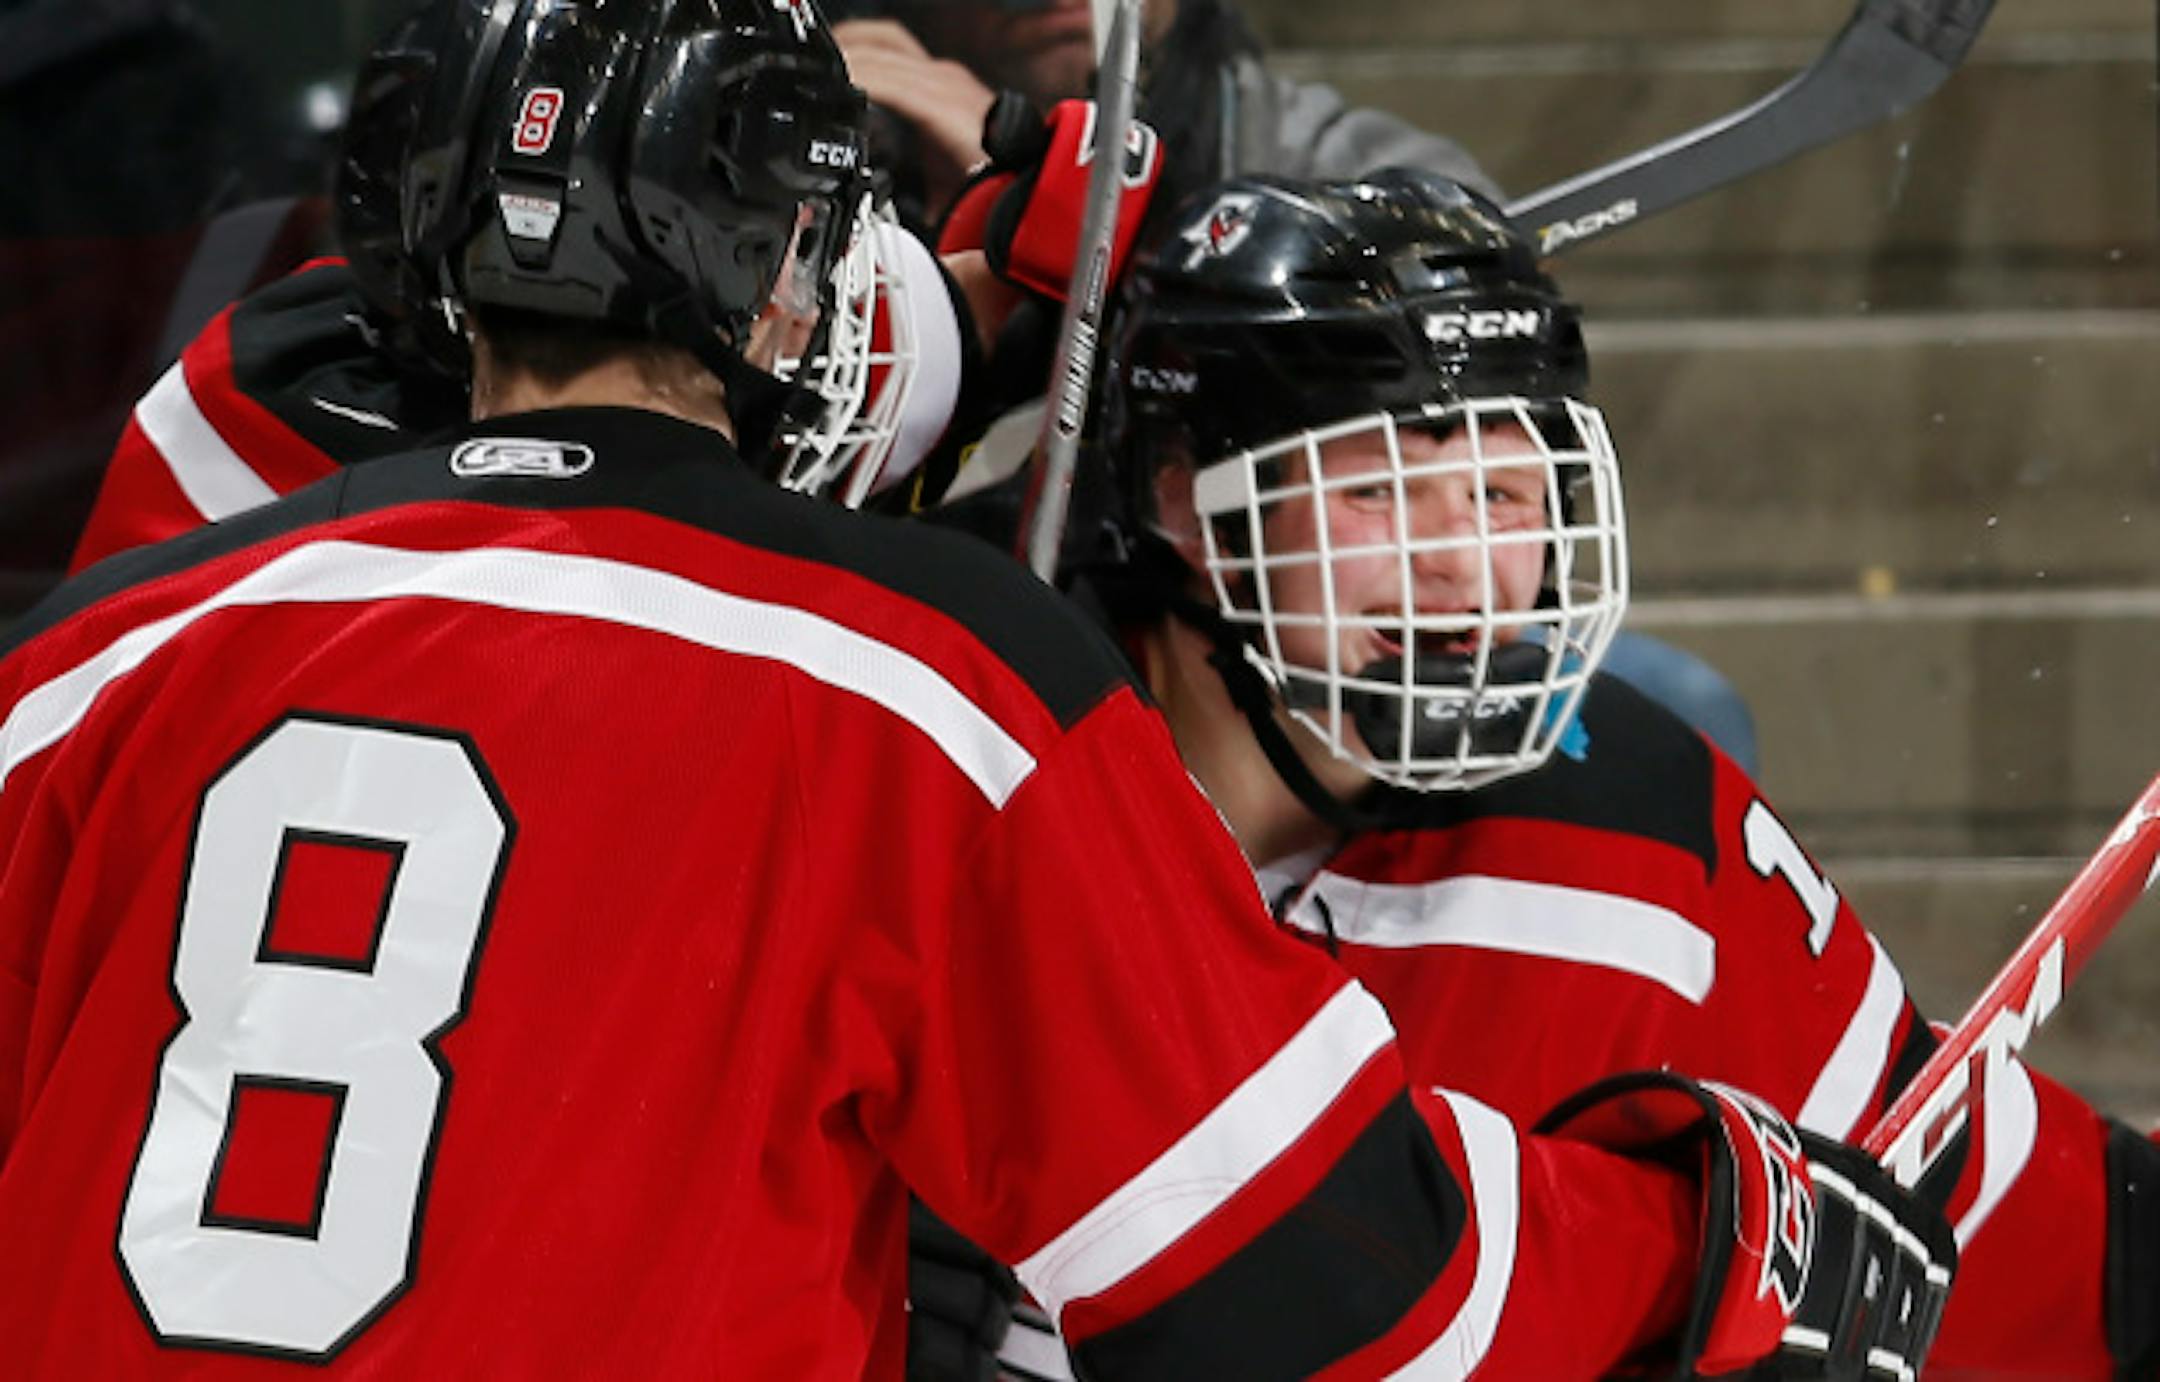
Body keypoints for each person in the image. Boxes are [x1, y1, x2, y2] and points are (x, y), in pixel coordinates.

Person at [0, 1, 1952, 1377]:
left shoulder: (91, 664)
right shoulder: (928, 684)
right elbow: (1312, 1286)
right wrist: (1697, 1250)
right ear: (793, 279)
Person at [957, 165, 2149, 1379]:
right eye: (1378, 489)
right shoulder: (959, 762)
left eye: (1501, 491)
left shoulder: (1631, 827)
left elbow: (2002, 1213)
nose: (1464, 565)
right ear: (1187, 508)